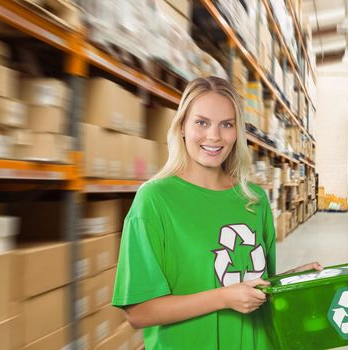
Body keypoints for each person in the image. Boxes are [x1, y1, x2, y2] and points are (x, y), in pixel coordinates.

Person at [112, 76, 321, 349]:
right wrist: (224, 298)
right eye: (201, 122)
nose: (214, 136)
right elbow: (138, 312)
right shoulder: (155, 199)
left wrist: (288, 279)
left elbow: (253, 286)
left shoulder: (254, 199)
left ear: (237, 132)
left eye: (227, 124)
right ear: (183, 127)